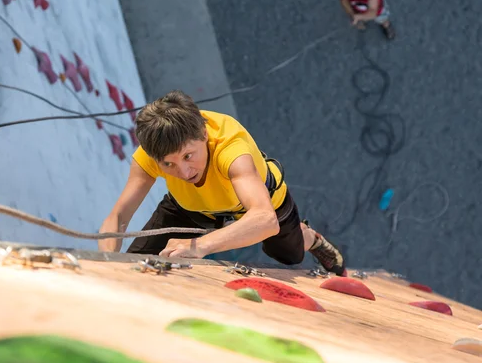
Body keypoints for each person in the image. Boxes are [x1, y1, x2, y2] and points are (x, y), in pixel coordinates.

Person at [97, 90, 347, 276]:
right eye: (168, 165)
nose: (183, 171)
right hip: (190, 205)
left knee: (288, 255)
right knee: (136, 263)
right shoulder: (153, 154)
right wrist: (107, 261)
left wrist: (200, 246)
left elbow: (265, 219)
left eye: (188, 156)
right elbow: (119, 216)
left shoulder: (231, 150)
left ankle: (309, 237)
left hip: (262, 201)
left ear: (204, 135)